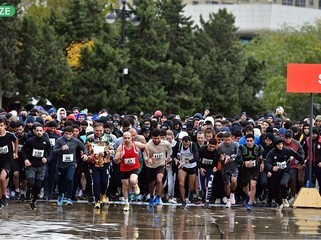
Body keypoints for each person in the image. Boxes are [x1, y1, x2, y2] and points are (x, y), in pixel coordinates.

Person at [265, 136, 304, 211]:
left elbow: (297, 155)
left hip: (286, 171)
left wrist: (301, 162)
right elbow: (267, 162)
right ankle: (279, 203)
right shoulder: (272, 152)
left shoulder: (287, 150)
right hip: (276, 173)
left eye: (281, 144)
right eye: (278, 145)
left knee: (283, 184)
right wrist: (271, 168)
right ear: (275, 145)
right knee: (275, 189)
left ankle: (285, 198)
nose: (280, 146)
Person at [53, 126, 88, 206]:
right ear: (64, 133)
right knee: (61, 181)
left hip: (71, 163)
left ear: (73, 134)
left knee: (70, 179)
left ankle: (69, 197)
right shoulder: (59, 140)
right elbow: (54, 151)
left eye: (70, 134)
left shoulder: (76, 141)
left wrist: (85, 154)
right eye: (66, 134)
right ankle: (60, 195)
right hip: (61, 164)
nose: (68, 136)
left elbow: (84, 147)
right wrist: (61, 149)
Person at [114, 131, 148, 211]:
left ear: (131, 138)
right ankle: (126, 203)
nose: (126, 140)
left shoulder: (135, 144)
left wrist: (147, 156)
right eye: (125, 138)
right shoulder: (120, 147)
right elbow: (115, 161)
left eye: (128, 138)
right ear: (123, 138)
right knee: (125, 186)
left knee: (133, 180)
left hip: (134, 166)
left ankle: (135, 185)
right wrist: (119, 157)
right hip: (124, 168)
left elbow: (146, 146)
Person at [22, 124, 52, 210]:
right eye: (37, 131)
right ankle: (29, 188)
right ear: (34, 131)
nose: (39, 132)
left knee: (38, 186)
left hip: (41, 166)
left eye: (40, 131)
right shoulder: (30, 141)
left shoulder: (46, 141)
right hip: (31, 165)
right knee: (31, 182)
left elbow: (50, 153)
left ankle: (34, 201)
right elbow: (23, 150)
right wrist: (26, 159)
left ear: (43, 131)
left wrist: (46, 159)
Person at [86, 122, 114, 209]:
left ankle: (103, 194)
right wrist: (89, 156)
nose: (98, 132)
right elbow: (86, 150)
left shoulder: (108, 138)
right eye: (97, 131)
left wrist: (106, 152)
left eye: (100, 131)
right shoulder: (90, 138)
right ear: (94, 130)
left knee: (104, 182)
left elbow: (113, 151)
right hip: (94, 163)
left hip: (105, 162)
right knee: (96, 182)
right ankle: (97, 201)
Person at [236, 134, 264, 211]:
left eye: (251, 141)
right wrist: (244, 163)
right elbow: (237, 159)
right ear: (245, 141)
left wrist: (262, 162)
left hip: (255, 169)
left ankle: (250, 203)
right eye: (247, 141)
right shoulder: (241, 148)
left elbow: (263, 155)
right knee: (245, 187)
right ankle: (251, 195)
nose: (249, 143)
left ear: (254, 141)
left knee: (253, 185)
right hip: (245, 169)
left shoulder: (258, 148)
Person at [145, 129, 172, 207]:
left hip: (160, 164)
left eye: (158, 138)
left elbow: (170, 147)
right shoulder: (148, 144)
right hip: (151, 165)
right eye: (154, 138)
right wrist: (149, 159)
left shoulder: (165, 143)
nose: (156, 140)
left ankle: (158, 197)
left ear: (161, 137)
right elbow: (145, 156)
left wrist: (168, 157)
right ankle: (151, 197)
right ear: (152, 137)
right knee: (151, 184)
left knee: (159, 179)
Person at [173, 135, 199, 209]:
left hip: (192, 166)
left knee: (191, 186)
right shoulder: (178, 145)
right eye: (184, 144)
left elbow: (196, 158)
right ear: (182, 142)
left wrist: (187, 162)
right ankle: (183, 200)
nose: (186, 146)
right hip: (182, 166)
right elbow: (173, 154)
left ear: (190, 142)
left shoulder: (193, 145)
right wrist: (175, 159)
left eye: (187, 144)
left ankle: (190, 193)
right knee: (181, 183)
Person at [217, 131, 239, 208]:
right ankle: (228, 199)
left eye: (229, 140)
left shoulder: (236, 144)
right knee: (226, 185)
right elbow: (218, 157)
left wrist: (230, 157)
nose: (227, 142)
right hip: (224, 167)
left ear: (231, 138)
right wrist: (222, 158)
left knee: (234, 180)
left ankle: (233, 193)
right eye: (225, 140)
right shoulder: (220, 146)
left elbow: (238, 155)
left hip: (233, 166)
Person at [0, 118, 18, 208]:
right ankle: (1, 200)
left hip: (7, 161)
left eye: (1, 126)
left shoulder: (9, 135)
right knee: (0, 181)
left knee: (2, 178)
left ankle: (4, 196)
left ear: (5, 126)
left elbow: (16, 140)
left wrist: (15, 153)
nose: (0, 128)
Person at [198, 138, 220, 208]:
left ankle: (207, 200)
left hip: (210, 169)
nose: (211, 148)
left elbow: (215, 163)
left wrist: (215, 167)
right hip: (202, 168)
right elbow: (198, 160)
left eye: (213, 147)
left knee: (209, 185)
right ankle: (201, 198)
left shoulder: (216, 152)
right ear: (208, 145)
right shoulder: (202, 149)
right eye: (210, 146)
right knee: (201, 186)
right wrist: (200, 168)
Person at [12, 120, 28, 200]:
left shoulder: (27, 137)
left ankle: (23, 191)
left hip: (24, 158)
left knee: (24, 177)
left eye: (20, 129)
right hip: (16, 158)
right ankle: (17, 190)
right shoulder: (13, 136)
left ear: (23, 129)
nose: (19, 131)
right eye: (17, 130)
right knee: (15, 174)